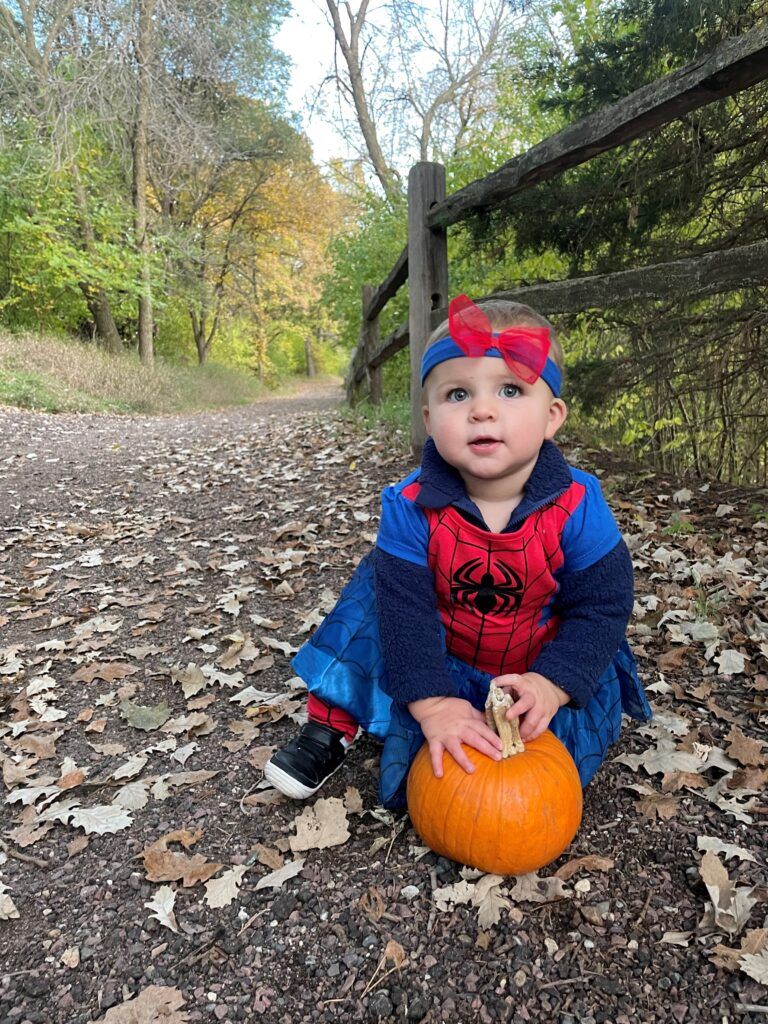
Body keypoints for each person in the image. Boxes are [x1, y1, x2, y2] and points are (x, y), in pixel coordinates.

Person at [264, 294, 651, 808]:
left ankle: (532, 712)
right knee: (373, 599)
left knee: (532, 784)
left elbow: (602, 606)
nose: (483, 410)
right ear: (429, 417)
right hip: (433, 644)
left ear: (552, 415)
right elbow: (406, 616)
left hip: (534, 655)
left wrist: (552, 685)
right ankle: (330, 725)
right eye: (457, 395)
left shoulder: (579, 504)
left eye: (510, 390)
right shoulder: (408, 505)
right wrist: (432, 703)